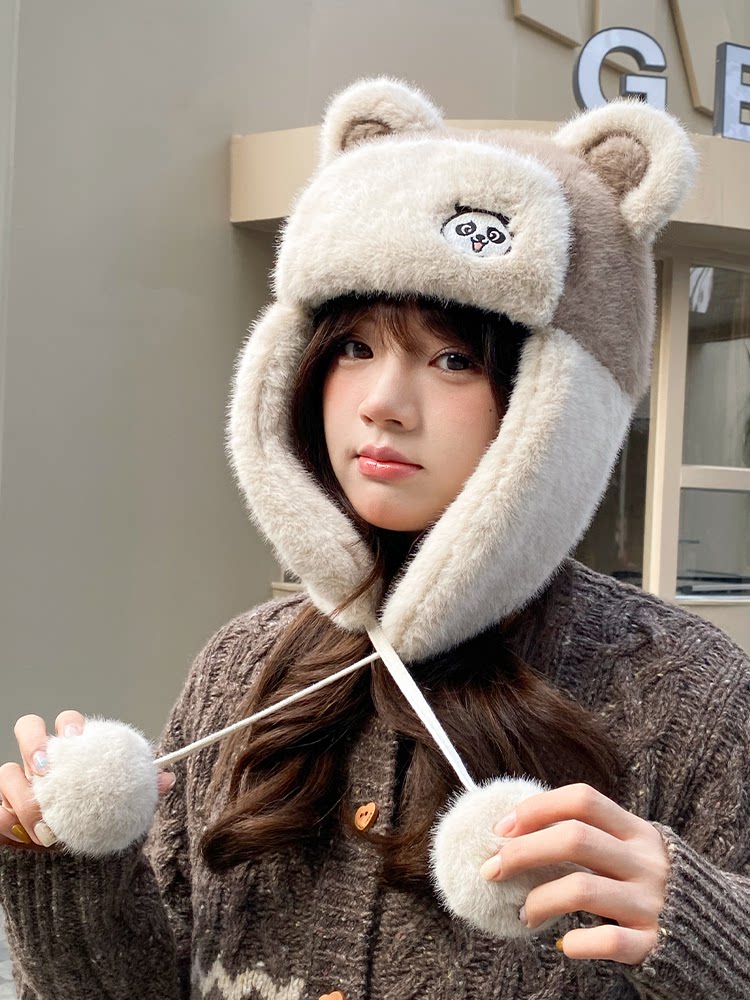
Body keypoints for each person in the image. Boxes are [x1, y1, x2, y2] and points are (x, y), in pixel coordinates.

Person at [0, 76, 749, 1000]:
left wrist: (704, 928)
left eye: (453, 359)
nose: (383, 404)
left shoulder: (687, 690)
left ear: (558, 405)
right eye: (354, 347)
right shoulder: (243, 667)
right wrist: (60, 864)